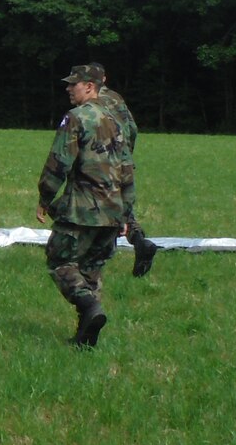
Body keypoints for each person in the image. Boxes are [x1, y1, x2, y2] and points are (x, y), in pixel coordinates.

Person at [37, 64, 136, 346]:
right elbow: (127, 168)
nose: (69, 88)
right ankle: (85, 337)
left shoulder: (76, 118)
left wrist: (45, 198)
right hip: (114, 210)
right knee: (92, 270)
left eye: (74, 84)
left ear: (89, 86)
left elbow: (59, 162)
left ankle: (88, 307)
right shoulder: (116, 119)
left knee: (59, 262)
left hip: (82, 209)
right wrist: (128, 212)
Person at [88, 62, 159, 277]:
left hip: (101, 160)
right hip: (123, 159)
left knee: (98, 204)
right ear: (105, 79)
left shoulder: (90, 102)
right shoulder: (117, 98)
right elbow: (133, 128)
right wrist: (127, 154)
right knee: (123, 208)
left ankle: (95, 255)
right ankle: (138, 241)